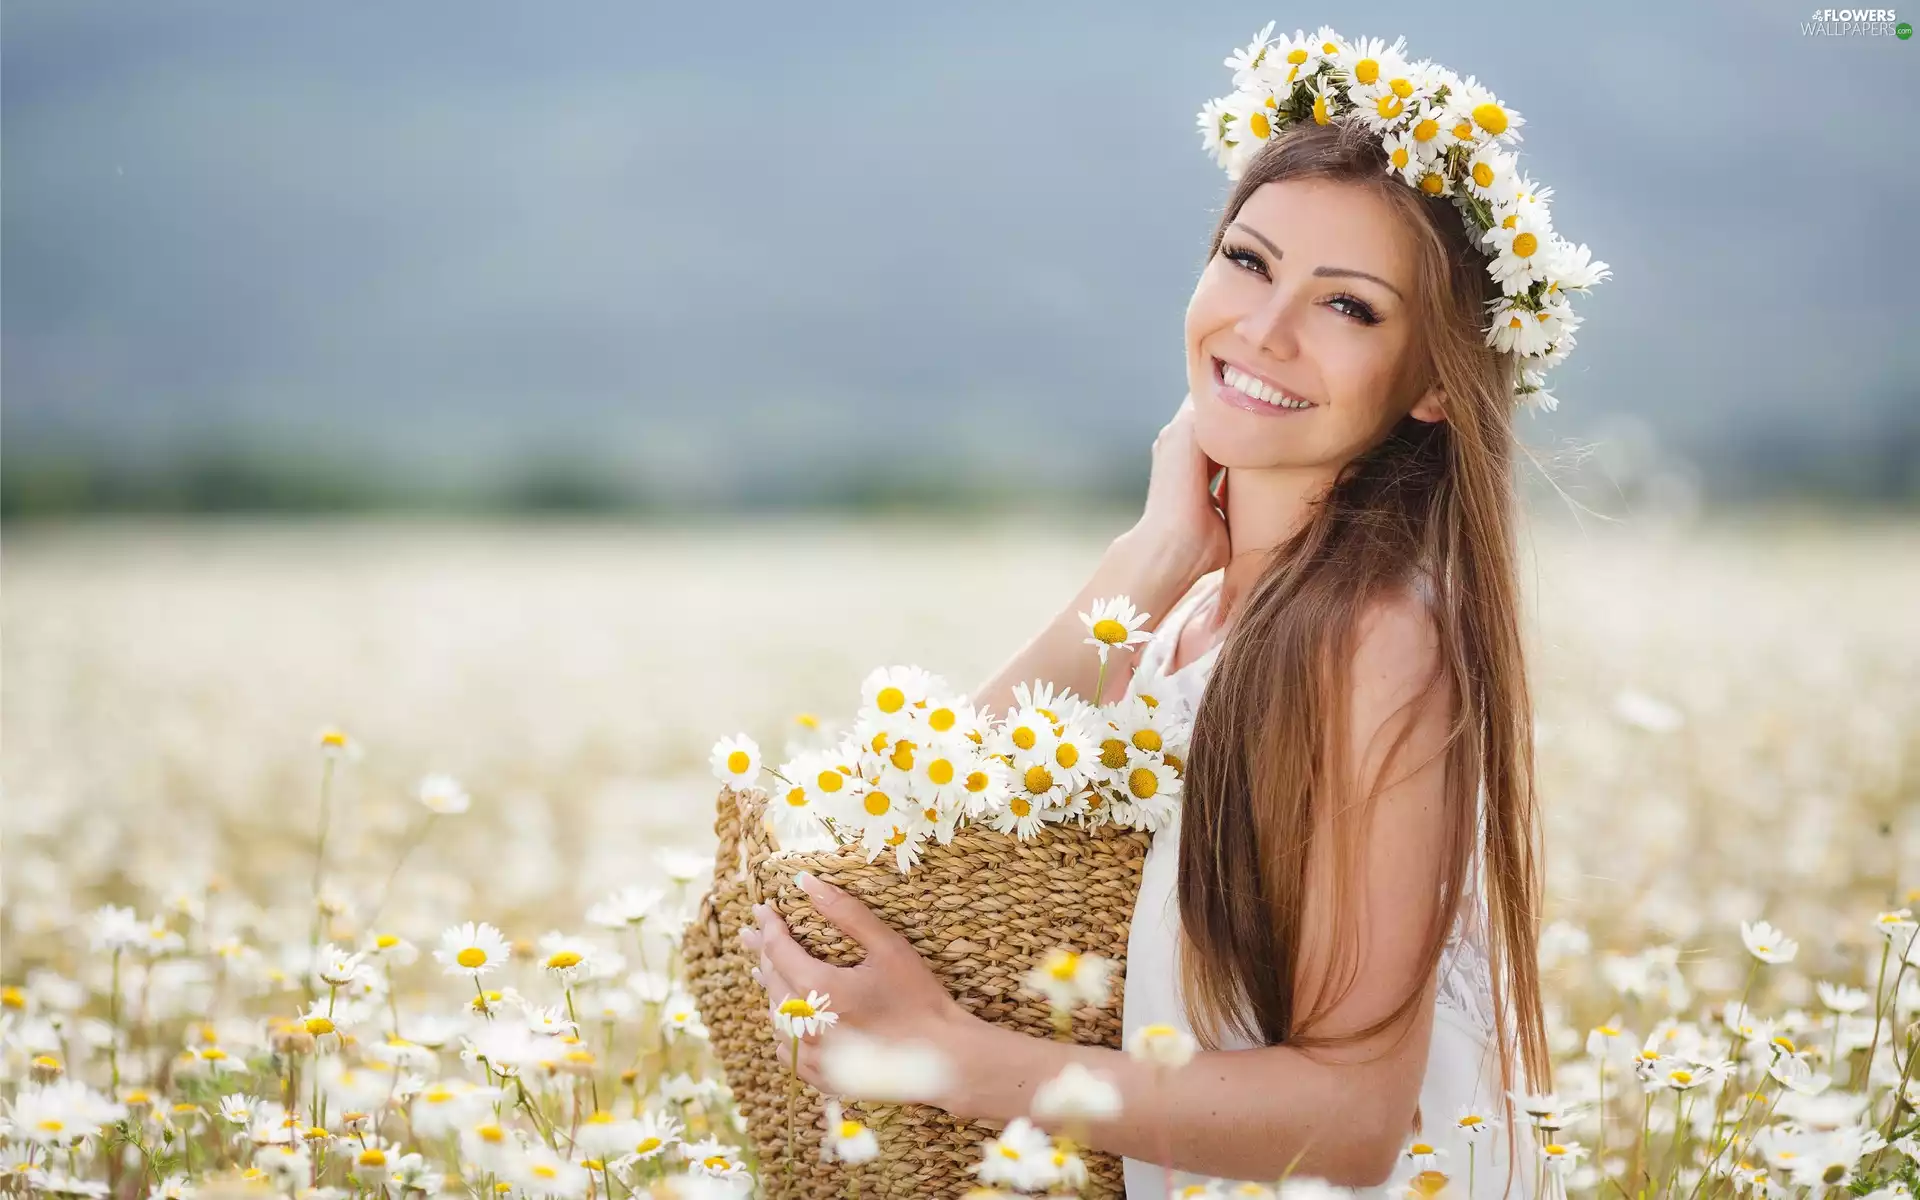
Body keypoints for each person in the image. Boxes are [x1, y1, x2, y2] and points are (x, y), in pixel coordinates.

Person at [740, 23, 1606, 1198]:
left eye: (1348, 307)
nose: (1265, 328)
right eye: (1249, 261)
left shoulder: (1372, 635)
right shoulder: (1206, 610)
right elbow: (914, 810)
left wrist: (953, 1057)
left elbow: (1352, 1120)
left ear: (1440, 384)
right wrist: (1151, 557)